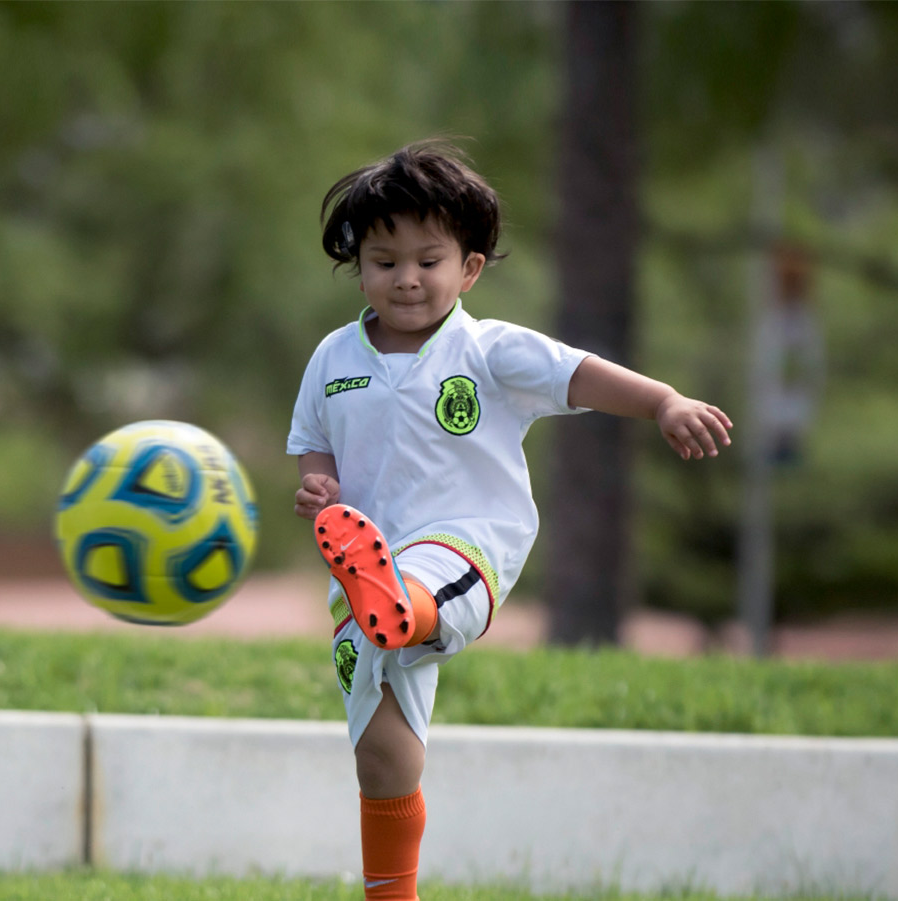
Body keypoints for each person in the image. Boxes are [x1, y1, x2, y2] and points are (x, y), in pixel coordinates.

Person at [286, 140, 732, 901]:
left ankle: (407, 605)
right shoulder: (333, 357)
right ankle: (392, 896)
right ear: (358, 266)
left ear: (470, 269)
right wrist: (318, 492)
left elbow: (579, 374)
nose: (406, 279)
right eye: (384, 261)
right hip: (360, 573)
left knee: (422, 588)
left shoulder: (488, 350)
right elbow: (312, 447)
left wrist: (662, 400)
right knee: (382, 754)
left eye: (428, 260)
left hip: (468, 544)